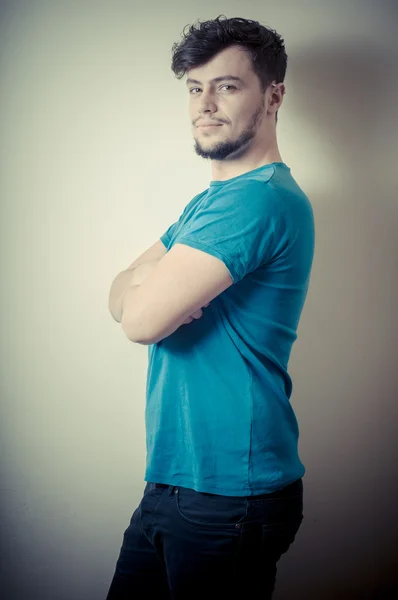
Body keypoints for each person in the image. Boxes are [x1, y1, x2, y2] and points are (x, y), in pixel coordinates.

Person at [106, 14, 315, 600]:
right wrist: (142, 283)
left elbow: (139, 321)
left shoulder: (255, 202)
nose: (205, 104)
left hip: (228, 493)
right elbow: (117, 290)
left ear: (273, 95)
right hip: (177, 480)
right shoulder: (210, 202)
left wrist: (145, 291)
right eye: (195, 88)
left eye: (226, 85)